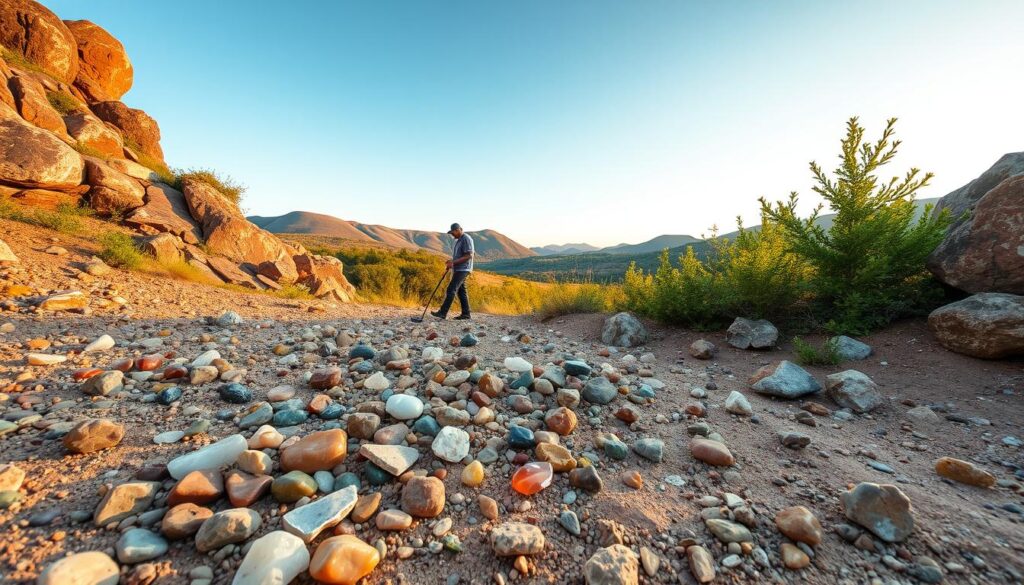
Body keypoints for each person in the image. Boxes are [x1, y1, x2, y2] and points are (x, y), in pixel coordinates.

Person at [432, 223, 474, 320]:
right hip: (459, 268)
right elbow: (459, 256)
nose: (452, 234)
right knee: (461, 291)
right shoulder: (458, 240)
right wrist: (451, 262)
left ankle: (442, 313)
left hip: (463, 268)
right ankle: (466, 314)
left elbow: (469, 255)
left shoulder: (466, 238)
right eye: (451, 233)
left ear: (459, 229)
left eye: (453, 232)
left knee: (451, 289)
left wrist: (453, 262)